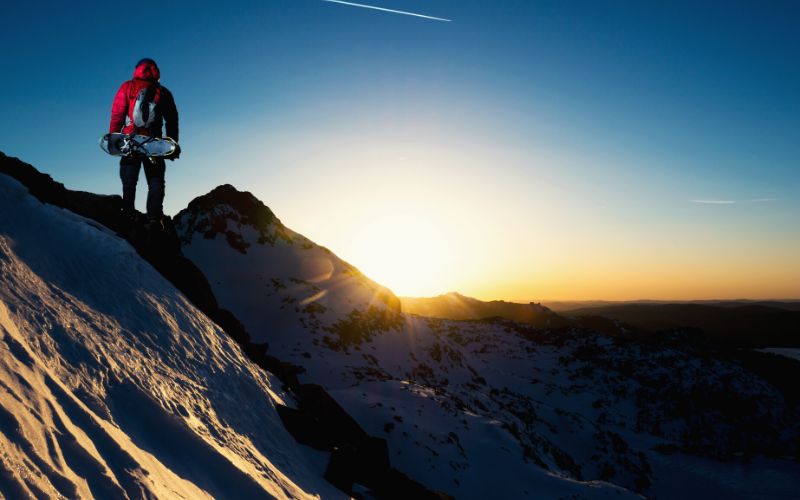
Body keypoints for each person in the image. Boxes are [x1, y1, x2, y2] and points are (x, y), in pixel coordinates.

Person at [109, 58, 179, 223]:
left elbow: (117, 113)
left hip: (130, 140)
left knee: (129, 179)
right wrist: (172, 143)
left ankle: (127, 213)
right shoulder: (164, 92)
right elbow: (172, 120)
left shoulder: (127, 87)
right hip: (154, 144)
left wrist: (114, 137)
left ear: (137, 70)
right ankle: (154, 219)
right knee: (156, 182)